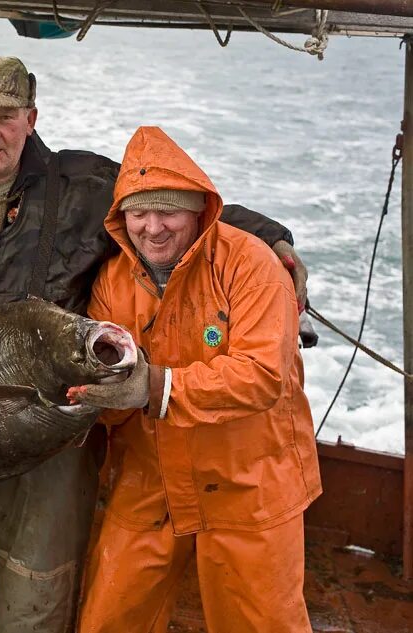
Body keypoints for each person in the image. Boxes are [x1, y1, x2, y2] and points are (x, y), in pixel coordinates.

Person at [0, 57, 308, 633]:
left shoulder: (86, 188)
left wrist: (272, 236)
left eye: (6, 116)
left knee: (38, 596)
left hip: (58, 425)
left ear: (31, 118)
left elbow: (168, 197)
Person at [72, 126, 321, 633]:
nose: (153, 227)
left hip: (250, 484)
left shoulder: (253, 265)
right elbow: (111, 397)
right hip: (151, 479)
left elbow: (262, 375)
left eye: (169, 211)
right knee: (107, 619)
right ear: (121, 219)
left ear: (199, 212)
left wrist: (152, 387)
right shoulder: (111, 282)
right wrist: (96, 398)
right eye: (138, 213)